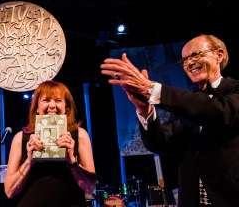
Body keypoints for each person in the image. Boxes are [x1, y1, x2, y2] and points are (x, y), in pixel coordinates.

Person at [101, 34, 239, 206]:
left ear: (219, 55)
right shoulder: (186, 104)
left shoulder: (235, 91)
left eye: (196, 55)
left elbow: (217, 111)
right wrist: (144, 110)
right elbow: (160, 142)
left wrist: (152, 89)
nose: (189, 63)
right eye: (184, 60)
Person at [4, 80, 96, 207]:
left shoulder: (80, 135)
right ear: (36, 107)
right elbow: (9, 191)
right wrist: (29, 161)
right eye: (46, 100)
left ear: (66, 108)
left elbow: (90, 188)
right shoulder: (20, 138)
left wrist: (72, 162)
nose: (52, 105)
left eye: (58, 100)